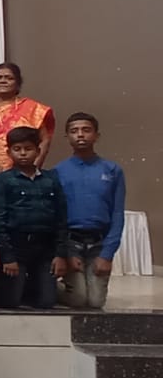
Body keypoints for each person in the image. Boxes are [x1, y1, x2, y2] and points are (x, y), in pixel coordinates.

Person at [0, 127, 69, 309]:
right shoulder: (3, 180)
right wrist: (7, 257)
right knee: (10, 302)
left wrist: (60, 254)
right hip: (16, 248)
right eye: (17, 149)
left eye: (28, 148)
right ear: (9, 152)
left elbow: (61, 219)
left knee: (47, 302)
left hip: (45, 249)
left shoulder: (51, 179)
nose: (23, 153)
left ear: (38, 151)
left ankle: (34, 284)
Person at [56, 112, 127, 309]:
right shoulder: (58, 172)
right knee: (78, 299)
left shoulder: (112, 170)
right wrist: (65, 253)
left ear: (96, 135)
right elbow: (57, 216)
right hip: (71, 243)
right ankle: (44, 285)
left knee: (95, 302)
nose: (80, 135)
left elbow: (117, 213)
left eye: (86, 130)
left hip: (99, 244)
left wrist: (107, 255)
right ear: (67, 137)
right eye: (74, 131)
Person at [0, 62, 55, 189]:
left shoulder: (33, 108)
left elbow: (45, 140)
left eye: (9, 78)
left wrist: (35, 166)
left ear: (18, 83)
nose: (3, 81)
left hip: (26, 169)